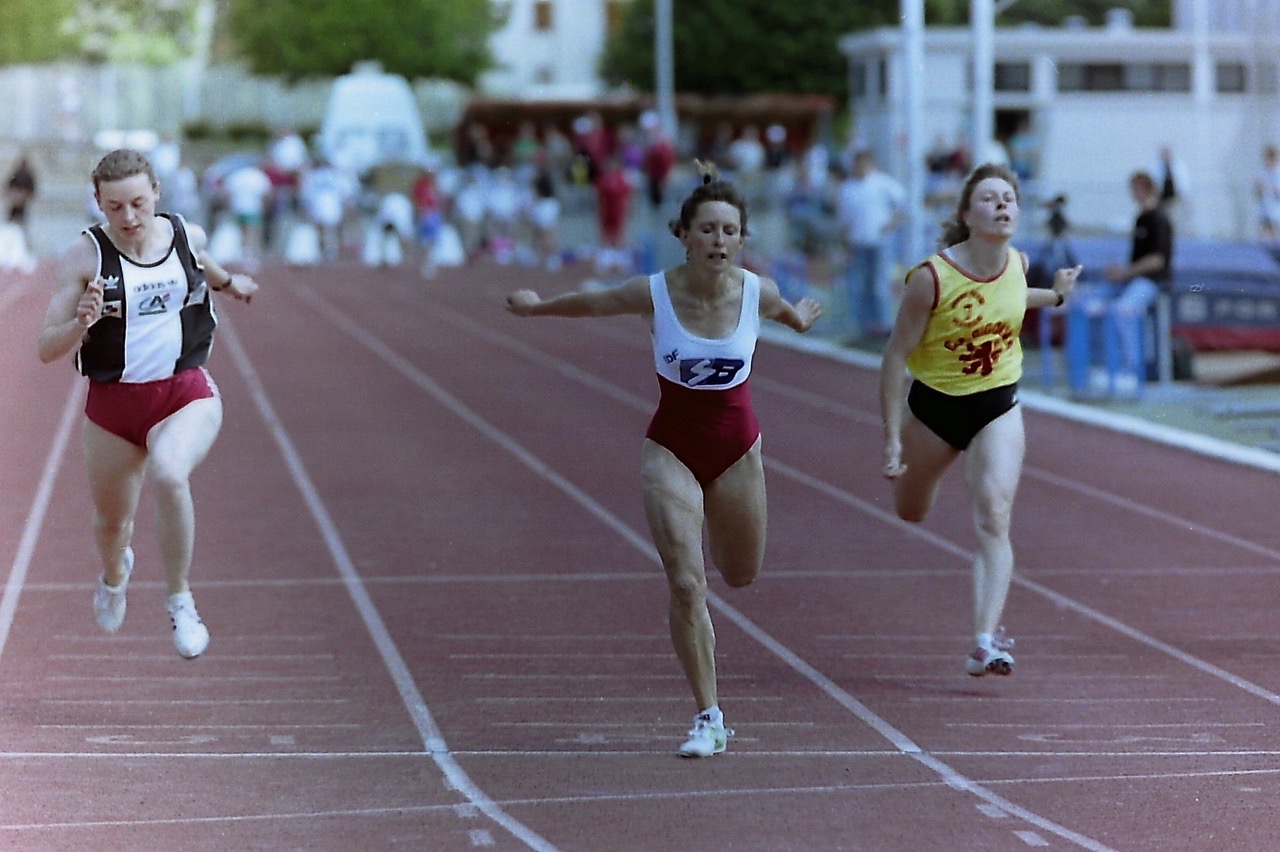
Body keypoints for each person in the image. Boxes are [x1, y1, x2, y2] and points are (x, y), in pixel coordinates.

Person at [505, 164, 822, 757]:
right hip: (671, 448)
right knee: (685, 581)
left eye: (730, 231)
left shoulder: (759, 292)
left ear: (742, 239)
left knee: (741, 573)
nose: (719, 241)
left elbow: (789, 317)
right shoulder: (653, 292)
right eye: (708, 230)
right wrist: (537, 307)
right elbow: (592, 303)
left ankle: (710, 706)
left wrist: (802, 316)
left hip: (738, 452)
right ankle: (709, 717)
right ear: (684, 235)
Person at [36, 148, 258, 659]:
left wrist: (233, 284)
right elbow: (46, 348)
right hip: (113, 409)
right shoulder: (84, 257)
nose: (129, 218)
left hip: (183, 394)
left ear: (157, 193)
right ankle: (115, 576)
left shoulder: (186, 235)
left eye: (138, 203)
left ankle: (180, 599)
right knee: (113, 525)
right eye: (115, 207)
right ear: (98, 203)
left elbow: (204, 263)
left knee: (169, 474)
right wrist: (80, 323)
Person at [879, 163, 1080, 679]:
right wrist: (891, 441)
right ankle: (927, 470)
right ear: (968, 215)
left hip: (997, 404)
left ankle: (984, 640)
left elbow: (1011, 299)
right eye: (990, 198)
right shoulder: (930, 279)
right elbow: (895, 356)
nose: (1002, 205)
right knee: (911, 512)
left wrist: (1054, 295)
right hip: (934, 407)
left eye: (1009, 197)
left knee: (994, 511)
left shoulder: (1019, 262)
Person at [1086, 170, 1174, 391]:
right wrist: (1120, 273)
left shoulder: (1159, 219)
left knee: (1124, 310)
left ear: (1145, 189)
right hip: (1132, 279)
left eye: (1135, 188)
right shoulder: (1140, 218)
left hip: (1153, 280)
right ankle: (1103, 365)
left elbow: (1157, 260)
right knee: (1092, 305)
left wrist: (1126, 272)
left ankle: (1131, 370)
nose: (1132, 194)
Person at [835, 150, 906, 339]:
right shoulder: (848, 188)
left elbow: (901, 203)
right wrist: (846, 243)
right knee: (858, 284)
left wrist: (892, 224)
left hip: (880, 241)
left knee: (879, 283)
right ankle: (861, 324)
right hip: (858, 241)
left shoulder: (882, 183)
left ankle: (883, 323)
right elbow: (844, 220)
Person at [1254, 144, 1280, 243]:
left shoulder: (1279, 173)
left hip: (1277, 212)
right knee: (1268, 239)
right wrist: (1259, 188)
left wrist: (1269, 187)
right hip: (1266, 211)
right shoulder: (1261, 173)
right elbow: (1256, 193)